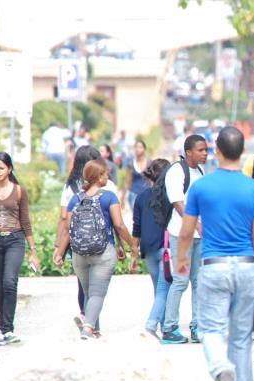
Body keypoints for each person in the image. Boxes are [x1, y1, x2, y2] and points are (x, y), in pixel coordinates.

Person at [175, 126, 254, 381]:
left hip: (213, 265)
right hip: (246, 266)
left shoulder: (201, 187)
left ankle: (220, 367)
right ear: (242, 152)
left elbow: (186, 231)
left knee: (211, 328)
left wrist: (182, 259)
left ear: (216, 151)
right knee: (241, 334)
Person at [53, 159, 137, 339]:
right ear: (98, 177)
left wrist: (60, 252)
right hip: (103, 251)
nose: (107, 176)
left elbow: (68, 228)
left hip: (79, 254)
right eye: (105, 173)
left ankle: (94, 329)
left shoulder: (75, 199)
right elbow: (120, 225)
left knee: (89, 292)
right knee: (97, 293)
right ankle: (88, 328)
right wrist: (132, 245)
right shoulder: (109, 197)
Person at [57, 146, 121, 333]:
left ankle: (90, 322)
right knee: (97, 290)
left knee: (85, 288)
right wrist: (126, 245)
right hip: (102, 245)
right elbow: (117, 223)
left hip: (77, 245)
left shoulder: (71, 189)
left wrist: (59, 248)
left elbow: (64, 220)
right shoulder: (108, 189)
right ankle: (89, 326)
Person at [163, 135, 207, 343]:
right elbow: (177, 203)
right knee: (180, 281)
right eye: (201, 150)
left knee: (199, 282)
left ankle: (197, 327)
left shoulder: (200, 171)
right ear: (188, 152)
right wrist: (195, 224)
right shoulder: (176, 171)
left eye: (206, 150)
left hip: (198, 237)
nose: (205, 153)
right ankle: (170, 328)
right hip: (181, 236)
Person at [131, 159, 179, 342]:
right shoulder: (170, 196)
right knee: (163, 290)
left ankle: (162, 323)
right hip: (166, 247)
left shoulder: (141, 197)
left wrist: (134, 254)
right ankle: (152, 325)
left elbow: (137, 228)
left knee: (159, 289)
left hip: (148, 249)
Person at [0, 153, 39, 345]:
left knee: (9, 282)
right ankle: (4, 329)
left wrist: (33, 250)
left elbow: (25, 222)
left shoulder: (19, 191)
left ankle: (8, 328)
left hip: (15, 240)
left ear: (9, 169)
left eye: (1, 168)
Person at [120, 140, 150, 210]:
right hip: (134, 194)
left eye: (140, 147)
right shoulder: (131, 164)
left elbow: (153, 180)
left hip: (147, 195)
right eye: (136, 147)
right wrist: (122, 198)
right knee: (136, 218)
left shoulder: (150, 163)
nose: (138, 149)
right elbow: (127, 181)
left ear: (144, 149)